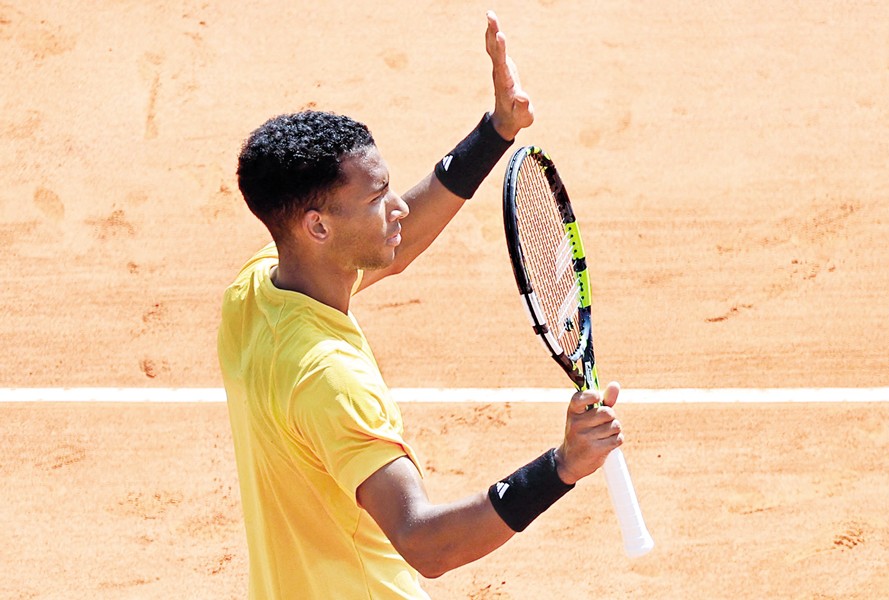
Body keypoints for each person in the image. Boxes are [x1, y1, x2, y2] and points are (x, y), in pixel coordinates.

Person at [218, 11, 625, 599]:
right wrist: (563, 465)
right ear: (318, 226)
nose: (398, 208)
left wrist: (496, 131)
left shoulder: (256, 290)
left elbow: (397, 245)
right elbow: (425, 542)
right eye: (378, 197)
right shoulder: (330, 379)